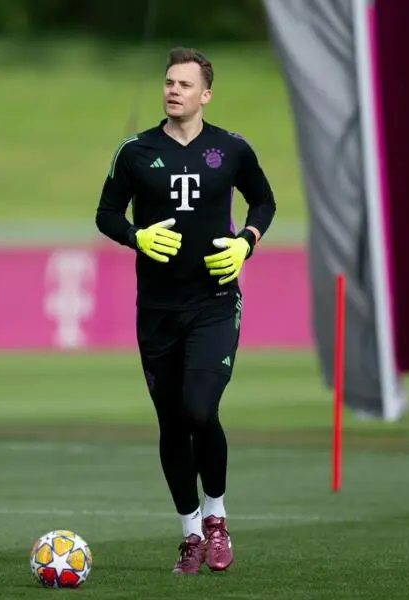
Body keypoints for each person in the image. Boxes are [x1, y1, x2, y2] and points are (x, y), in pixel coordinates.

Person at [94, 47, 276, 574]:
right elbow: (106, 213)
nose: (173, 89)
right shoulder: (135, 151)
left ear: (205, 94)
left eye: (184, 84)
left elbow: (263, 201)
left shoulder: (232, 149)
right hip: (156, 310)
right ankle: (190, 534)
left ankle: (217, 519)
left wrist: (247, 240)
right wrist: (136, 236)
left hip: (215, 303)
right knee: (172, 424)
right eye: (168, 82)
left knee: (200, 409)